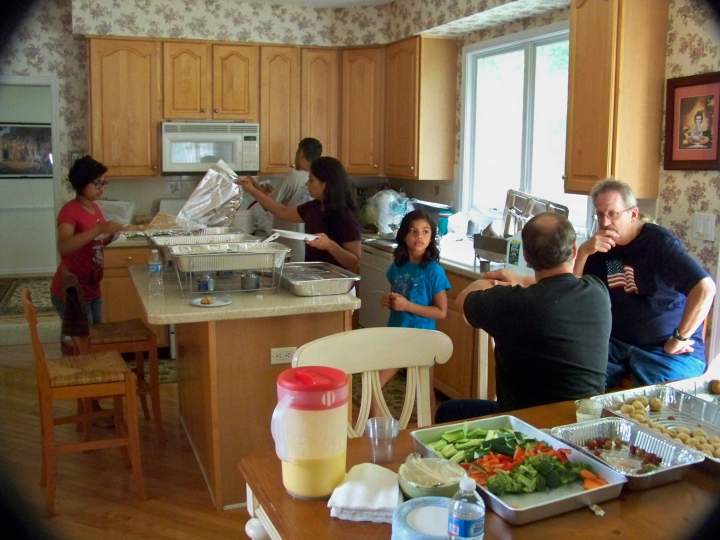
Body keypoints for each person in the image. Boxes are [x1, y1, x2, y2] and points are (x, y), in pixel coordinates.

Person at [436, 213, 611, 419]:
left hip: (527, 428)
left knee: (448, 412)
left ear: (526, 257)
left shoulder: (512, 302)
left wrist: (490, 281)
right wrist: (520, 280)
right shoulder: (598, 292)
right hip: (583, 422)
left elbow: (463, 299)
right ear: (574, 250)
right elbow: (565, 284)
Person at [574, 178, 716, 387]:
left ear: (633, 214)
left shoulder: (659, 245)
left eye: (613, 213)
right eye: (600, 214)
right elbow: (574, 290)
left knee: (651, 402)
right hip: (616, 345)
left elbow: (705, 288)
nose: (604, 222)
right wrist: (584, 253)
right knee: (574, 377)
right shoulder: (600, 246)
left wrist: (680, 338)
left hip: (667, 351)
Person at [239, 156, 361, 272]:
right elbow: (282, 211)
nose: (307, 184)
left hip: (339, 285)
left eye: (311, 180)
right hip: (315, 277)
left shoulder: (345, 217)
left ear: (326, 185)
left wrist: (330, 245)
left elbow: (356, 264)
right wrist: (252, 190)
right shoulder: (314, 207)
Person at [49, 156, 124, 333]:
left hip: (91, 288)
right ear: (82, 183)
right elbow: (65, 246)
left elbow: (92, 243)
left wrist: (109, 237)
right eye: (97, 183)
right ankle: (73, 361)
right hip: (72, 291)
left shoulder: (95, 208)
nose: (101, 188)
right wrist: (99, 229)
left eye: (104, 183)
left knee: (95, 337)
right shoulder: (70, 211)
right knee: (81, 340)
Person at [378, 210, 451, 390]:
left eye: (425, 231)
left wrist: (407, 305)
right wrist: (388, 301)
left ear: (432, 236)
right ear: (404, 235)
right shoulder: (397, 266)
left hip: (422, 337)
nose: (419, 236)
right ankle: (375, 417)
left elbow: (441, 312)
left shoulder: (434, 271)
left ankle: (430, 419)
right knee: (376, 382)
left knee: (424, 391)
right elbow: (396, 298)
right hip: (397, 333)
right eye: (413, 231)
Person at [270, 138, 320, 261]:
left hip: (287, 245)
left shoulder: (294, 176)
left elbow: (270, 206)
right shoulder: (319, 180)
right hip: (307, 245)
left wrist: (252, 188)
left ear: (301, 153)